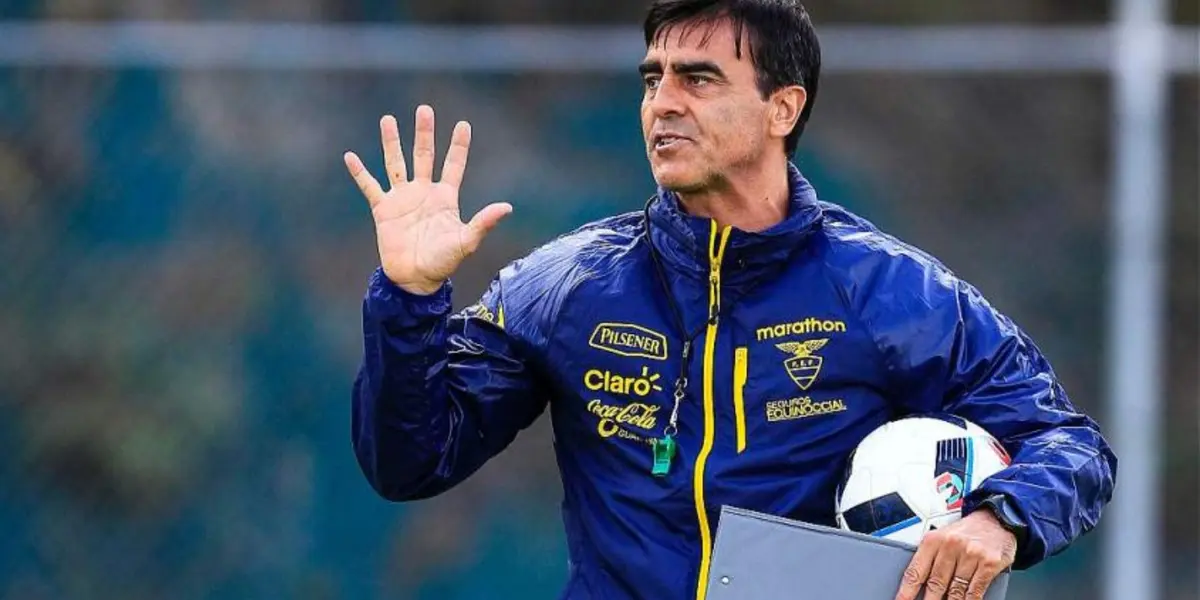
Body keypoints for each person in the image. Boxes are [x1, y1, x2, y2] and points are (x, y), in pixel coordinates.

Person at [343, 1, 1117, 599]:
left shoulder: (890, 292)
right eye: (653, 79)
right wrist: (410, 298)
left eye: (699, 79)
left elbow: (1068, 443)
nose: (663, 103)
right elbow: (409, 461)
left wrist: (999, 518)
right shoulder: (566, 287)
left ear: (783, 108)